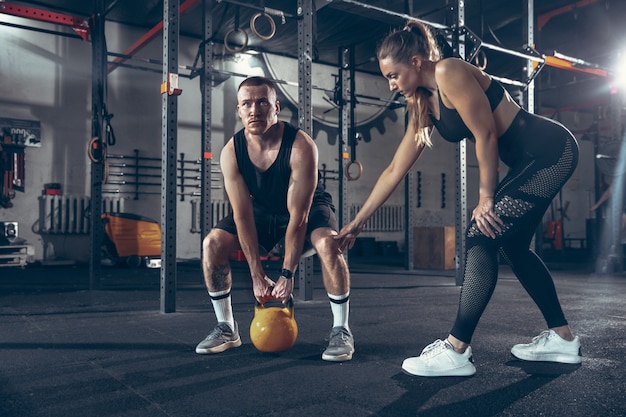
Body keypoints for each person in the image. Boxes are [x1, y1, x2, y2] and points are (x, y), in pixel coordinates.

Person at [335, 21, 581, 376]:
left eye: (393, 75)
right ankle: (563, 339)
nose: (391, 85)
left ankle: (457, 349)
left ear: (416, 61)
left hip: (550, 152)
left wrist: (485, 198)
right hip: (531, 162)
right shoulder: (423, 103)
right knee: (512, 246)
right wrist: (357, 223)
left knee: (481, 233)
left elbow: (486, 135)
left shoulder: (449, 71)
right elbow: (393, 169)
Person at [195, 76, 354, 362]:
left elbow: (300, 216)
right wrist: (256, 276)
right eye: (247, 104)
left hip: (308, 208)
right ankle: (227, 328)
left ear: (276, 107)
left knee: (331, 244)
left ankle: (341, 330)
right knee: (212, 244)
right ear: (239, 110)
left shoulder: (301, 146)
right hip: (261, 210)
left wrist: (287, 273)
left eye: (262, 102)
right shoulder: (231, 152)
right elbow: (242, 215)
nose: (254, 110)